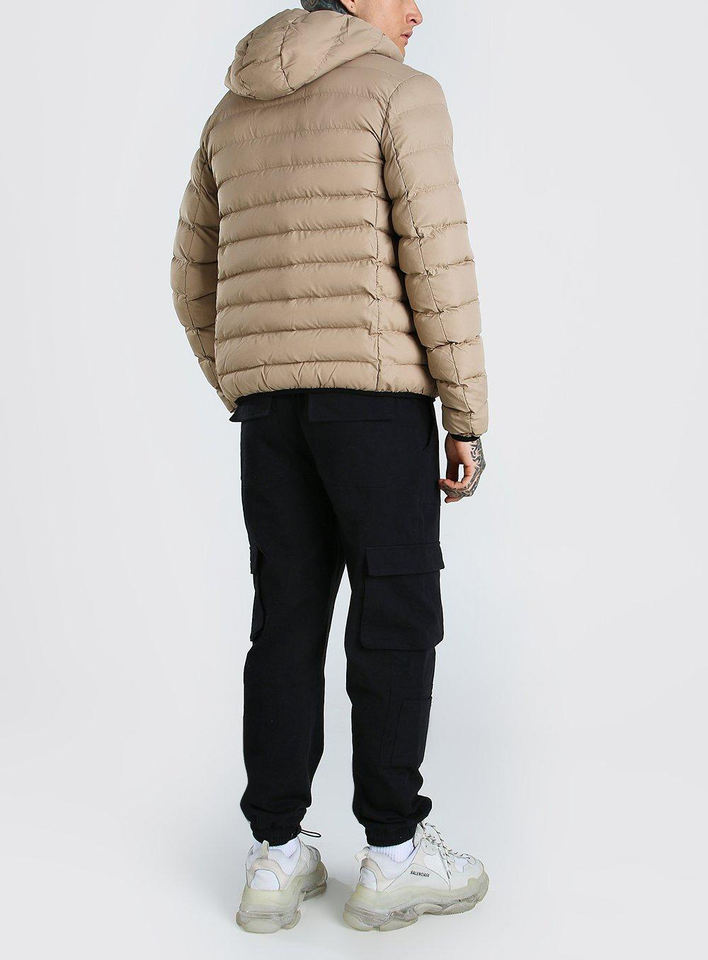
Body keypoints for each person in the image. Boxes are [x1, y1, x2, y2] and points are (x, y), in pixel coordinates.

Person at [170, 0, 489, 933]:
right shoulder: (399, 93)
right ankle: (392, 855)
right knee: (395, 612)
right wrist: (466, 415)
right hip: (376, 403)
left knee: (286, 617)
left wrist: (246, 379)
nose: (418, 11)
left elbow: (190, 277)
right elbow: (438, 262)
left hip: (270, 415)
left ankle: (274, 857)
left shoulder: (230, 111)